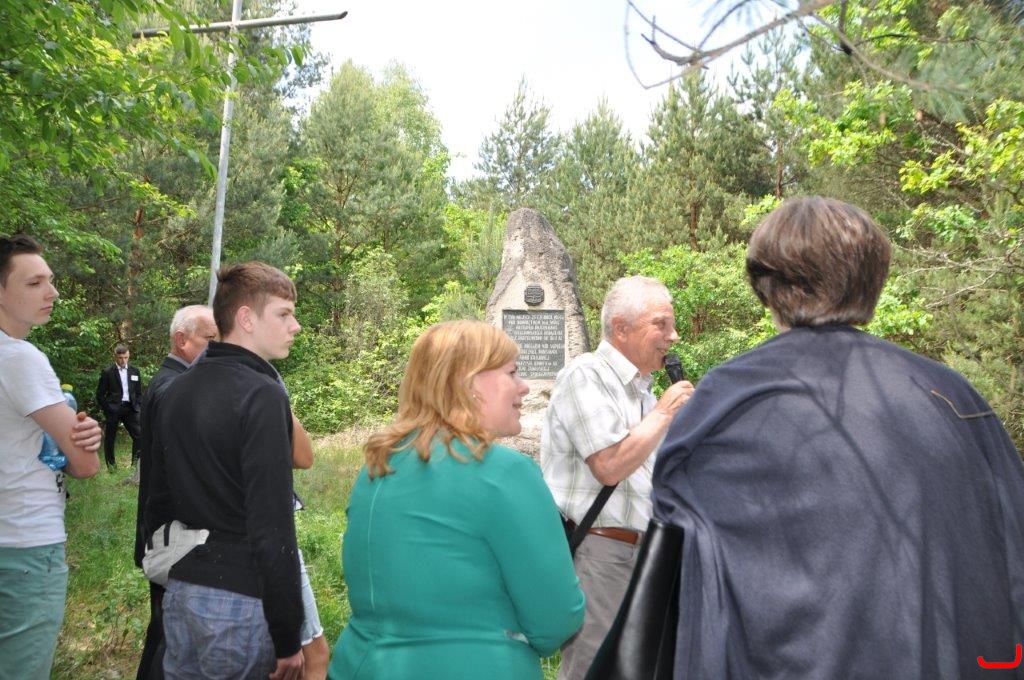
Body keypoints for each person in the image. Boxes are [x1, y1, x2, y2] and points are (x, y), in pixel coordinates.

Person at [653, 196, 1024, 678]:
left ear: (765, 285)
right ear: (873, 279)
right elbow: (1008, 546)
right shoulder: (950, 395)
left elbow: (688, 592)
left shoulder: (726, 402)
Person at [330, 320, 585, 680]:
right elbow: (556, 619)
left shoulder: (378, 465)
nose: (524, 386)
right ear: (469, 383)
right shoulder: (504, 472)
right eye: (512, 372)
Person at [144, 262, 304, 680]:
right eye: (284, 314)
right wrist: (289, 635)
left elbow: (157, 498)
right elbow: (272, 524)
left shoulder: (176, 389)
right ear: (246, 318)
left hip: (182, 591)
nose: (296, 326)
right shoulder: (261, 393)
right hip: (239, 603)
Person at [540, 275, 694, 680]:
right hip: (601, 554)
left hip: (645, 553)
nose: (674, 336)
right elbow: (608, 465)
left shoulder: (643, 391)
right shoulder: (585, 375)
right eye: (661, 324)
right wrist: (665, 412)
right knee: (595, 670)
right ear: (621, 328)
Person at [0, 234, 103, 680]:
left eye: (51, 280)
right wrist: (84, 439)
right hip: (24, 544)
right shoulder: (19, 358)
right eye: (34, 283)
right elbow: (85, 465)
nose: (53, 293)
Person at [133, 304, 217, 680]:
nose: (217, 348)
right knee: (171, 636)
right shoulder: (174, 387)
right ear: (182, 340)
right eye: (210, 339)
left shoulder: (171, 380)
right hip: (174, 534)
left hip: (167, 529)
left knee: (164, 631)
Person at [95, 343, 143, 469]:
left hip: (131, 408)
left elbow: (138, 392)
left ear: (129, 356)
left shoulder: (135, 371)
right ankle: (112, 466)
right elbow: (100, 395)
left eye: (125, 357)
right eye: (120, 358)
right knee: (110, 438)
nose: (123, 360)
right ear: (115, 357)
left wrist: (138, 405)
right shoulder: (107, 372)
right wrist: (108, 409)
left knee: (139, 435)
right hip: (113, 408)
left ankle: (135, 465)